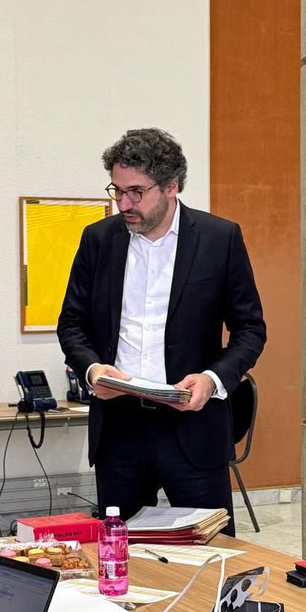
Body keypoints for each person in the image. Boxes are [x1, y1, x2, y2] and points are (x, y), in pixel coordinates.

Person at [57, 128, 266, 532]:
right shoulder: (98, 240)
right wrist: (92, 369)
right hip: (119, 428)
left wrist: (212, 379)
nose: (123, 203)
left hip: (192, 426)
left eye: (136, 191)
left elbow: (250, 329)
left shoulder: (218, 238)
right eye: (116, 190)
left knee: (212, 553)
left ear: (171, 186)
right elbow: (72, 323)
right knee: (122, 556)